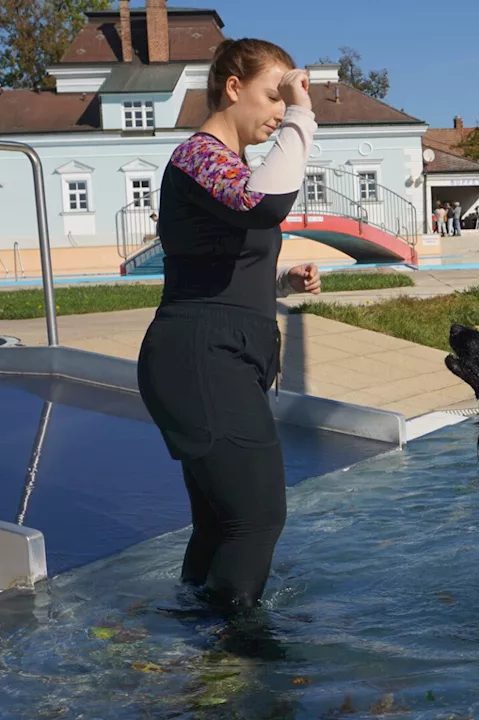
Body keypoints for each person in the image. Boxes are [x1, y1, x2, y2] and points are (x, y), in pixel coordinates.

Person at [136, 38, 322, 614]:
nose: (277, 111)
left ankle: (194, 638)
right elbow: (266, 205)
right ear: (232, 87)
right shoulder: (198, 157)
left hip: (217, 353)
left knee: (220, 523)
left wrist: (280, 282)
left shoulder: (231, 171)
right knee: (256, 518)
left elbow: (214, 268)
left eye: (284, 100)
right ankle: (236, 661)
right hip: (201, 356)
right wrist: (302, 114)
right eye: (271, 95)